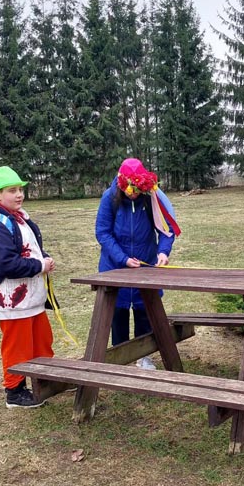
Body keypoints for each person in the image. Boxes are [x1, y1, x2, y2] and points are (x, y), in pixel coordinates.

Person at [0, 165, 55, 407]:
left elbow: (29, 248)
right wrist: (40, 265)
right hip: (13, 300)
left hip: (32, 297)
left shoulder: (18, 218)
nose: (19, 194)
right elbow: (6, 263)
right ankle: (15, 391)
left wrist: (43, 258)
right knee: (17, 346)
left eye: (20, 189)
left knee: (42, 340)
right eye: (12, 190)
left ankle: (45, 379)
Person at [95, 157, 180, 368]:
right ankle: (120, 358)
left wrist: (163, 252)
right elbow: (103, 232)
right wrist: (122, 258)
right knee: (118, 313)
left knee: (145, 312)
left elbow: (167, 229)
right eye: (129, 189)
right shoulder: (109, 198)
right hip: (115, 267)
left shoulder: (152, 198)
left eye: (137, 189)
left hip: (146, 264)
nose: (133, 194)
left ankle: (144, 356)